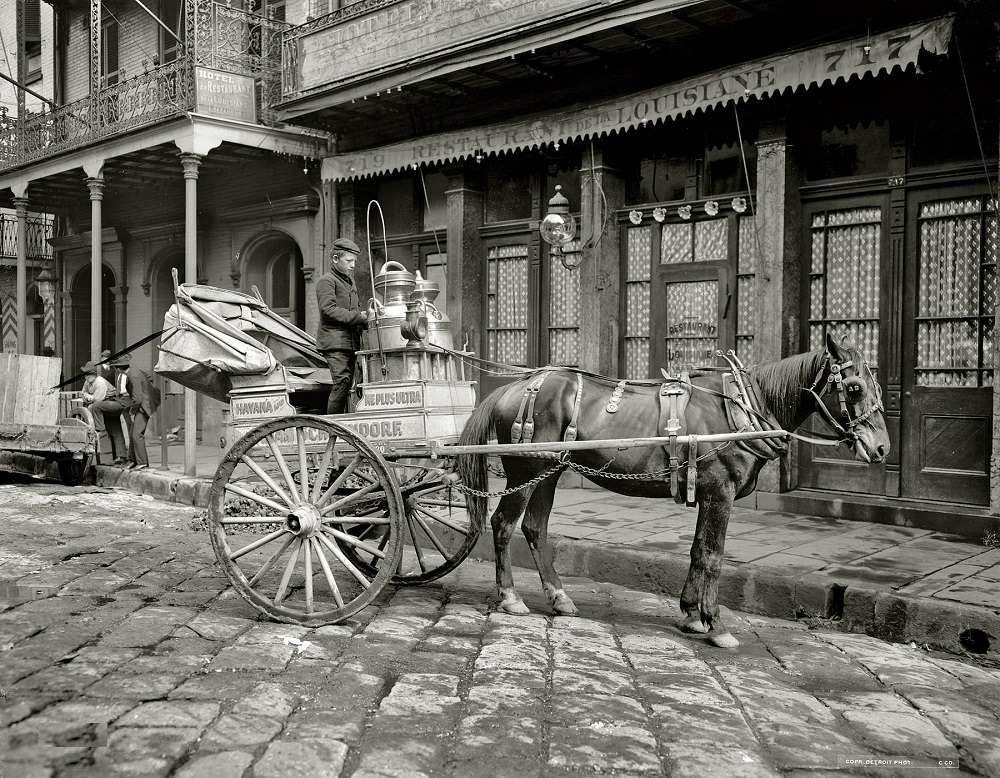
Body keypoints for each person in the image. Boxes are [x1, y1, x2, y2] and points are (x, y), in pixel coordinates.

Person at [316, 237, 368, 414]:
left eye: (354, 261)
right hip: (335, 343)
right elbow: (328, 310)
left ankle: (343, 423)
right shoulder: (327, 281)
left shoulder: (349, 282)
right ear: (336, 259)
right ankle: (333, 427)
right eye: (349, 261)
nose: (353, 265)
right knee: (342, 383)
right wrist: (360, 318)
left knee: (349, 385)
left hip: (349, 343)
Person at [114, 353, 161, 471]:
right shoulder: (135, 371)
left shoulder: (133, 375)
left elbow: (137, 398)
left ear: (119, 369)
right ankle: (133, 460)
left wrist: (132, 412)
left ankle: (142, 462)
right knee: (133, 434)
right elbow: (149, 378)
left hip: (143, 407)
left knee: (136, 435)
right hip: (144, 405)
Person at [89, 358, 130, 466]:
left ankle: (100, 430)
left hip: (117, 402)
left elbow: (98, 399)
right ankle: (120, 456)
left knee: (96, 407)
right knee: (115, 429)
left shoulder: (123, 375)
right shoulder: (117, 375)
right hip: (111, 403)